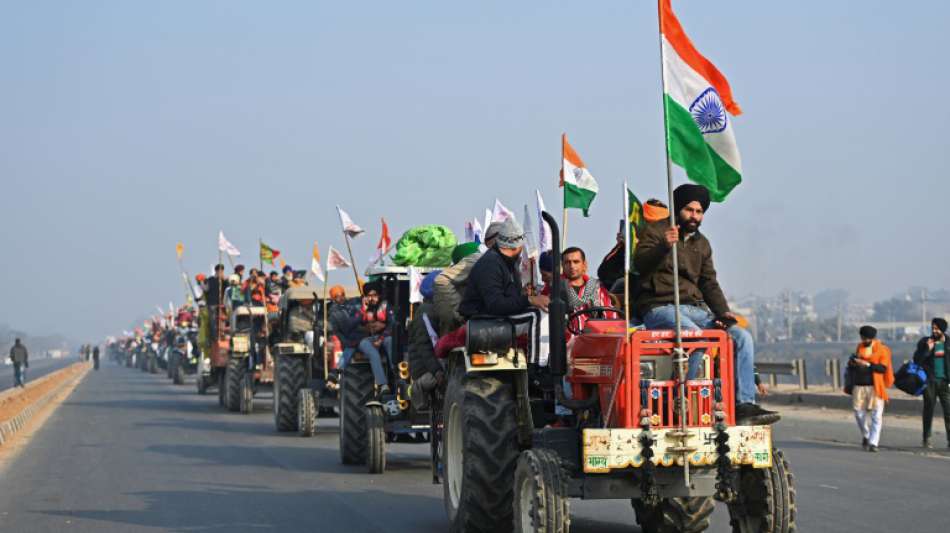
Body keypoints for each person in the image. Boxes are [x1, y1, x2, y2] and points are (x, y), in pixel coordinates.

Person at [634, 184, 777, 425]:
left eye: (699, 212)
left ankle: (743, 404)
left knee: (741, 337)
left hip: (695, 308)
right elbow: (639, 265)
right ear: (679, 209)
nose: (694, 216)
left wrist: (723, 312)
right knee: (696, 336)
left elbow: (709, 282)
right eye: (689, 210)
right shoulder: (657, 232)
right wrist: (662, 247)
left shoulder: (702, 244)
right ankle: (681, 396)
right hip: (660, 307)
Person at [849, 325, 894, 452]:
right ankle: (866, 435)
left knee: (877, 415)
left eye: (866, 338)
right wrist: (853, 362)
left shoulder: (882, 350)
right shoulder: (859, 347)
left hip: (875, 386)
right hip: (859, 385)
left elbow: (882, 368)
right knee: (858, 413)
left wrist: (867, 364)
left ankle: (874, 443)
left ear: (872, 338)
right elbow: (853, 364)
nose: (864, 340)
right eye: (862, 338)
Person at [408, 271, 444, 409]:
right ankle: (417, 388)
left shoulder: (435, 310)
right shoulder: (426, 313)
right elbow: (425, 348)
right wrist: (437, 371)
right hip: (425, 369)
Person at [914, 317, 950, 449]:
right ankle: (926, 438)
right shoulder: (925, 342)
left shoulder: (948, 343)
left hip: (945, 382)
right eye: (932, 328)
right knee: (929, 410)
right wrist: (928, 349)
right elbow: (917, 360)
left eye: (937, 328)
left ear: (943, 329)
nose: (934, 331)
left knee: (948, 411)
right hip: (929, 382)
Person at [357, 281, 394, 396]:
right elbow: (358, 323)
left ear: (379, 295)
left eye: (374, 295)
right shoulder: (363, 308)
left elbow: (392, 324)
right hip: (369, 338)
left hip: (385, 336)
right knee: (367, 347)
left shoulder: (386, 306)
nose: (372, 298)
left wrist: (381, 339)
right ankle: (383, 384)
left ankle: (396, 373)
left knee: (390, 341)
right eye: (369, 295)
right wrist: (364, 309)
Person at [326, 285, 364, 386]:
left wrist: (363, 296)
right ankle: (336, 371)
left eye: (342, 294)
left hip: (358, 335)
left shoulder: (351, 303)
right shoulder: (334, 312)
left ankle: (336, 371)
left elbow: (359, 300)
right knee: (350, 346)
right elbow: (347, 326)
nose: (341, 297)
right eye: (337, 296)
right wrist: (360, 316)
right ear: (333, 299)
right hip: (344, 336)